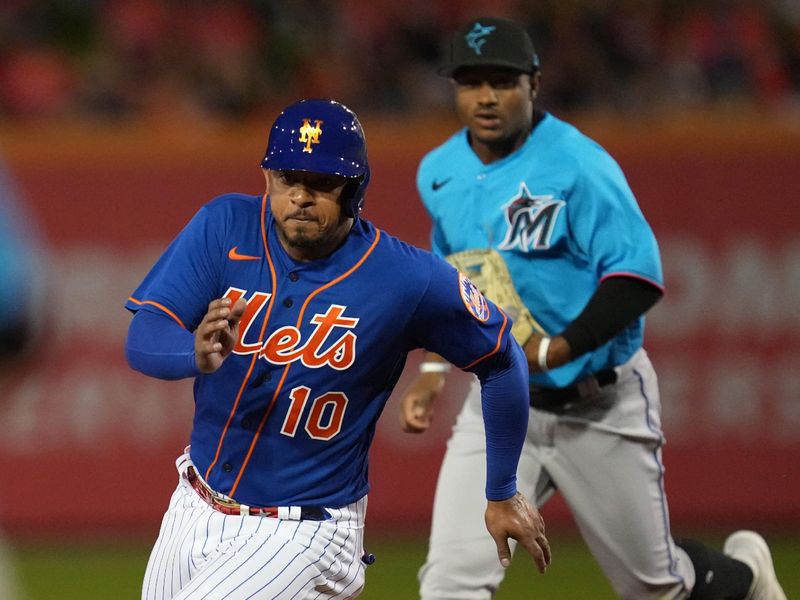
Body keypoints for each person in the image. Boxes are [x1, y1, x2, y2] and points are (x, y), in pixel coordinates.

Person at [398, 17, 786, 600]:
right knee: (450, 582)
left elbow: (638, 277)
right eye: (471, 81)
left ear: (532, 83)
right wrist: (431, 370)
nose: (485, 96)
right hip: (502, 404)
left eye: (501, 81)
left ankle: (748, 575)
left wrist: (556, 348)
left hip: (599, 405)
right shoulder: (439, 170)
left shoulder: (580, 165)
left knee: (657, 590)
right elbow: (455, 278)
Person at [124, 98, 551, 600]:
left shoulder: (404, 278)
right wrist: (191, 354)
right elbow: (145, 332)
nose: (301, 195)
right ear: (267, 179)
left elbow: (502, 359)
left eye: (322, 181)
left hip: (304, 530)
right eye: (288, 176)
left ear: (355, 188)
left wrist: (502, 489)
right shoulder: (225, 226)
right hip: (193, 504)